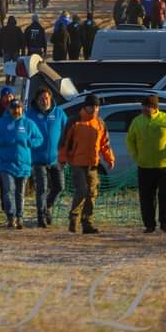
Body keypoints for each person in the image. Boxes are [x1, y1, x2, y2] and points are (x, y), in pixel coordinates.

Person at [127, 95, 166, 234]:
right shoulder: (137, 122)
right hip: (144, 166)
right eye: (144, 106)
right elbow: (130, 140)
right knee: (146, 197)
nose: (145, 109)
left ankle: (165, 223)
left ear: (155, 108)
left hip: (165, 165)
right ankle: (149, 225)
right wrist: (136, 156)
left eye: (148, 107)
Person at [59, 94, 115, 234]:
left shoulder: (100, 123)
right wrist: (62, 160)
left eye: (96, 106)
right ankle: (74, 219)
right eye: (92, 106)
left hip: (93, 163)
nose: (94, 109)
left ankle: (87, 222)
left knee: (92, 193)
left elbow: (105, 144)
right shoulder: (74, 121)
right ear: (85, 106)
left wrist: (110, 159)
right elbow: (64, 143)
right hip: (77, 163)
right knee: (82, 190)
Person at [0, 97, 42, 229]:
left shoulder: (28, 123)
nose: (16, 110)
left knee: (20, 192)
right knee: (9, 190)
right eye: (14, 108)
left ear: (22, 108)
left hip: (24, 164)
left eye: (19, 108)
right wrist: (1, 141)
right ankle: (10, 216)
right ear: (9, 109)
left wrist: (30, 142)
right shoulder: (0, 123)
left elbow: (39, 138)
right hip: (6, 164)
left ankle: (20, 217)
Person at [25, 87, 68, 228]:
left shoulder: (59, 113)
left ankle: (48, 205)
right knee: (42, 188)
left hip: (56, 158)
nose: (44, 101)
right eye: (41, 99)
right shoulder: (29, 115)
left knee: (60, 186)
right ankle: (41, 216)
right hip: (37, 158)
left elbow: (67, 132)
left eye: (46, 98)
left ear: (50, 98)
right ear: (36, 101)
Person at [0, 15, 25, 84]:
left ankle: (7, 77)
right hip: (16, 51)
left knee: (7, 66)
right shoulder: (18, 29)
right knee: (15, 66)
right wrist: (23, 52)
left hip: (6, 51)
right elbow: (22, 41)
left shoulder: (3, 29)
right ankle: (13, 79)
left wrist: (0, 50)